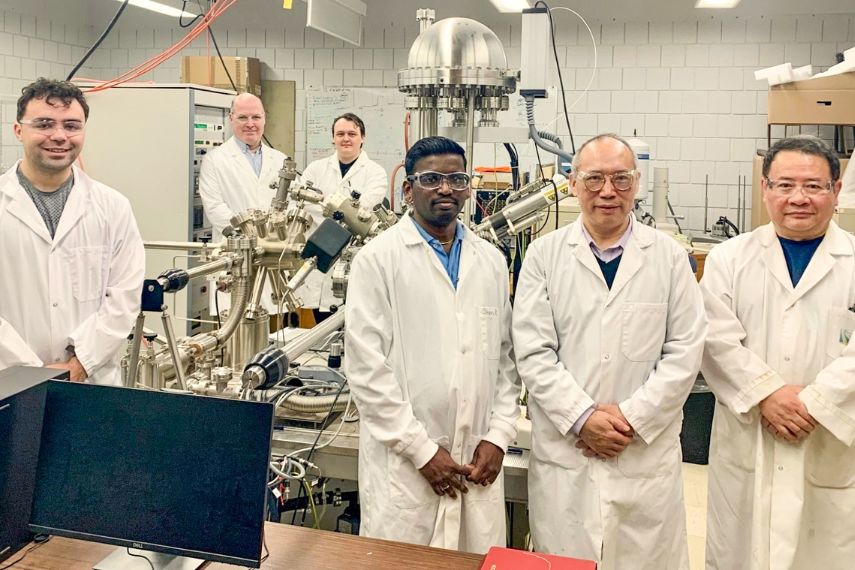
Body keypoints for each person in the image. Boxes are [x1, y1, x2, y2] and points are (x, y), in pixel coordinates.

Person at [513, 134, 707, 569]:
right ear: (573, 184)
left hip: (641, 455)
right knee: (566, 560)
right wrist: (582, 418)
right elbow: (533, 350)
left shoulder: (670, 258)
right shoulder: (544, 256)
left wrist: (629, 419)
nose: (607, 192)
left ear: (637, 183)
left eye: (621, 179)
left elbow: (685, 351)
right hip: (569, 454)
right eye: (595, 178)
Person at [344, 136, 519, 553]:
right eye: (432, 179)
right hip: (405, 473)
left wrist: (498, 435)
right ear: (408, 189)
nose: (446, 188)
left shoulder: (490, 261)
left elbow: (507, 363)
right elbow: (368, 372)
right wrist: (421, 451)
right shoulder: (378, 259)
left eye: (457, 178)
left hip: (476, 464)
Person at [701, 135, 855, 570]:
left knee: (824, 553)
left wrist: (815, 404)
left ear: (836, 191)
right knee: (739, 552)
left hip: (829, 442)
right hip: (749, 440)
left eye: (814, 186)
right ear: (765, 188)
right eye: (785, 185)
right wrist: (767, 395)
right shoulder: (729, 259)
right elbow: (714, 341)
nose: (798, 198)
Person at [0, 78, 144, 384]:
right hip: (8, 381)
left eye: (71, 125)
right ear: (18, 130)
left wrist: (81, 361)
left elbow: (124, 297)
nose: (59, 136)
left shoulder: (113, 206)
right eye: (44, 123)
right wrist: (28, 371)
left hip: (90, 381)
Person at [198, 93, 288, 317]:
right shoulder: (215, 160)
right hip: (235, 256)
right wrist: (249, 238)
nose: (250, 124)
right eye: (243, 118)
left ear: (264, 118)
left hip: (272, 255)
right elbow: (215, 209)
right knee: (234, 329)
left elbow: (289, 204)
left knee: (274, 331)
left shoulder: (279, 159)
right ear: (231, 118)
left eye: (256, 117)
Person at [298, 113, 387, 319]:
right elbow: (300, 203)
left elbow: (362, 209)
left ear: (362, 137)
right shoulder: (315, 169)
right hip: (319, 251)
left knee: (352, 320)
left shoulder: (375, 172)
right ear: (333, 138)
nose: (345, 138)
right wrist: (339, 207)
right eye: (340, 134)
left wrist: (324, 201)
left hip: (352, 256)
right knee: (320, 324)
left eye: (351, 133)